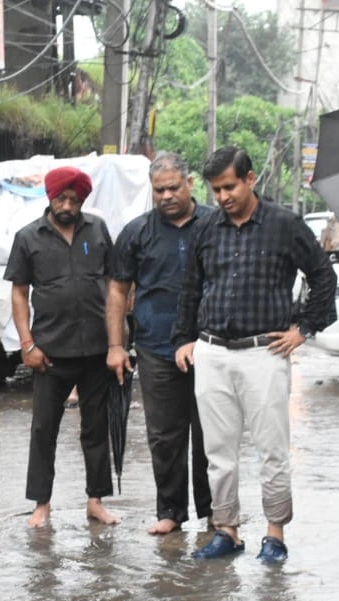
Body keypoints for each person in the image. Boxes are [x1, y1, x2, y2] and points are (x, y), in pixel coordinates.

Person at [172, 146, 337, 562]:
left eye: (229, 186)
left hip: (264, 351)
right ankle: (226, 530)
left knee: (272, 448)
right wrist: (183, 339)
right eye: (216, 190)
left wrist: (304, 329)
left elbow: (322, 275)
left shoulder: (284, 224)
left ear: (250, 179)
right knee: (218, 452)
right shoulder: (207, 229)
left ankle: (275, 534)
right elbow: (191, 287)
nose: (223, 196)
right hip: (212, 351)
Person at [6, 165, 119, 528]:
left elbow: (116, 284)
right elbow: (20, 293)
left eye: (74, 198)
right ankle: (42, 504)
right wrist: (27, 344)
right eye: (61, 197)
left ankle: (96, 501)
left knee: (96, 428)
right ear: (50, 197)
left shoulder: (97, 229)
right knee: (44, 429)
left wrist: (119, 341)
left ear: (82, 199)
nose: (67, 204)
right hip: (50, 352)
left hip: (96, 349)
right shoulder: (28, 237)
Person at [107, 152, 213, 535]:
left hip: (210, 345)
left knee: (210, 434)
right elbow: (118, 290)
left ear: (190, 183)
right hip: (155, 345)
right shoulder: (137, 232)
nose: (166, 196)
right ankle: (170, 511)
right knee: (164, 435)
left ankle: (213, 512)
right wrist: (116, 346)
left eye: (173, 187)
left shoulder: (215, 224)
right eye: (159, 190)